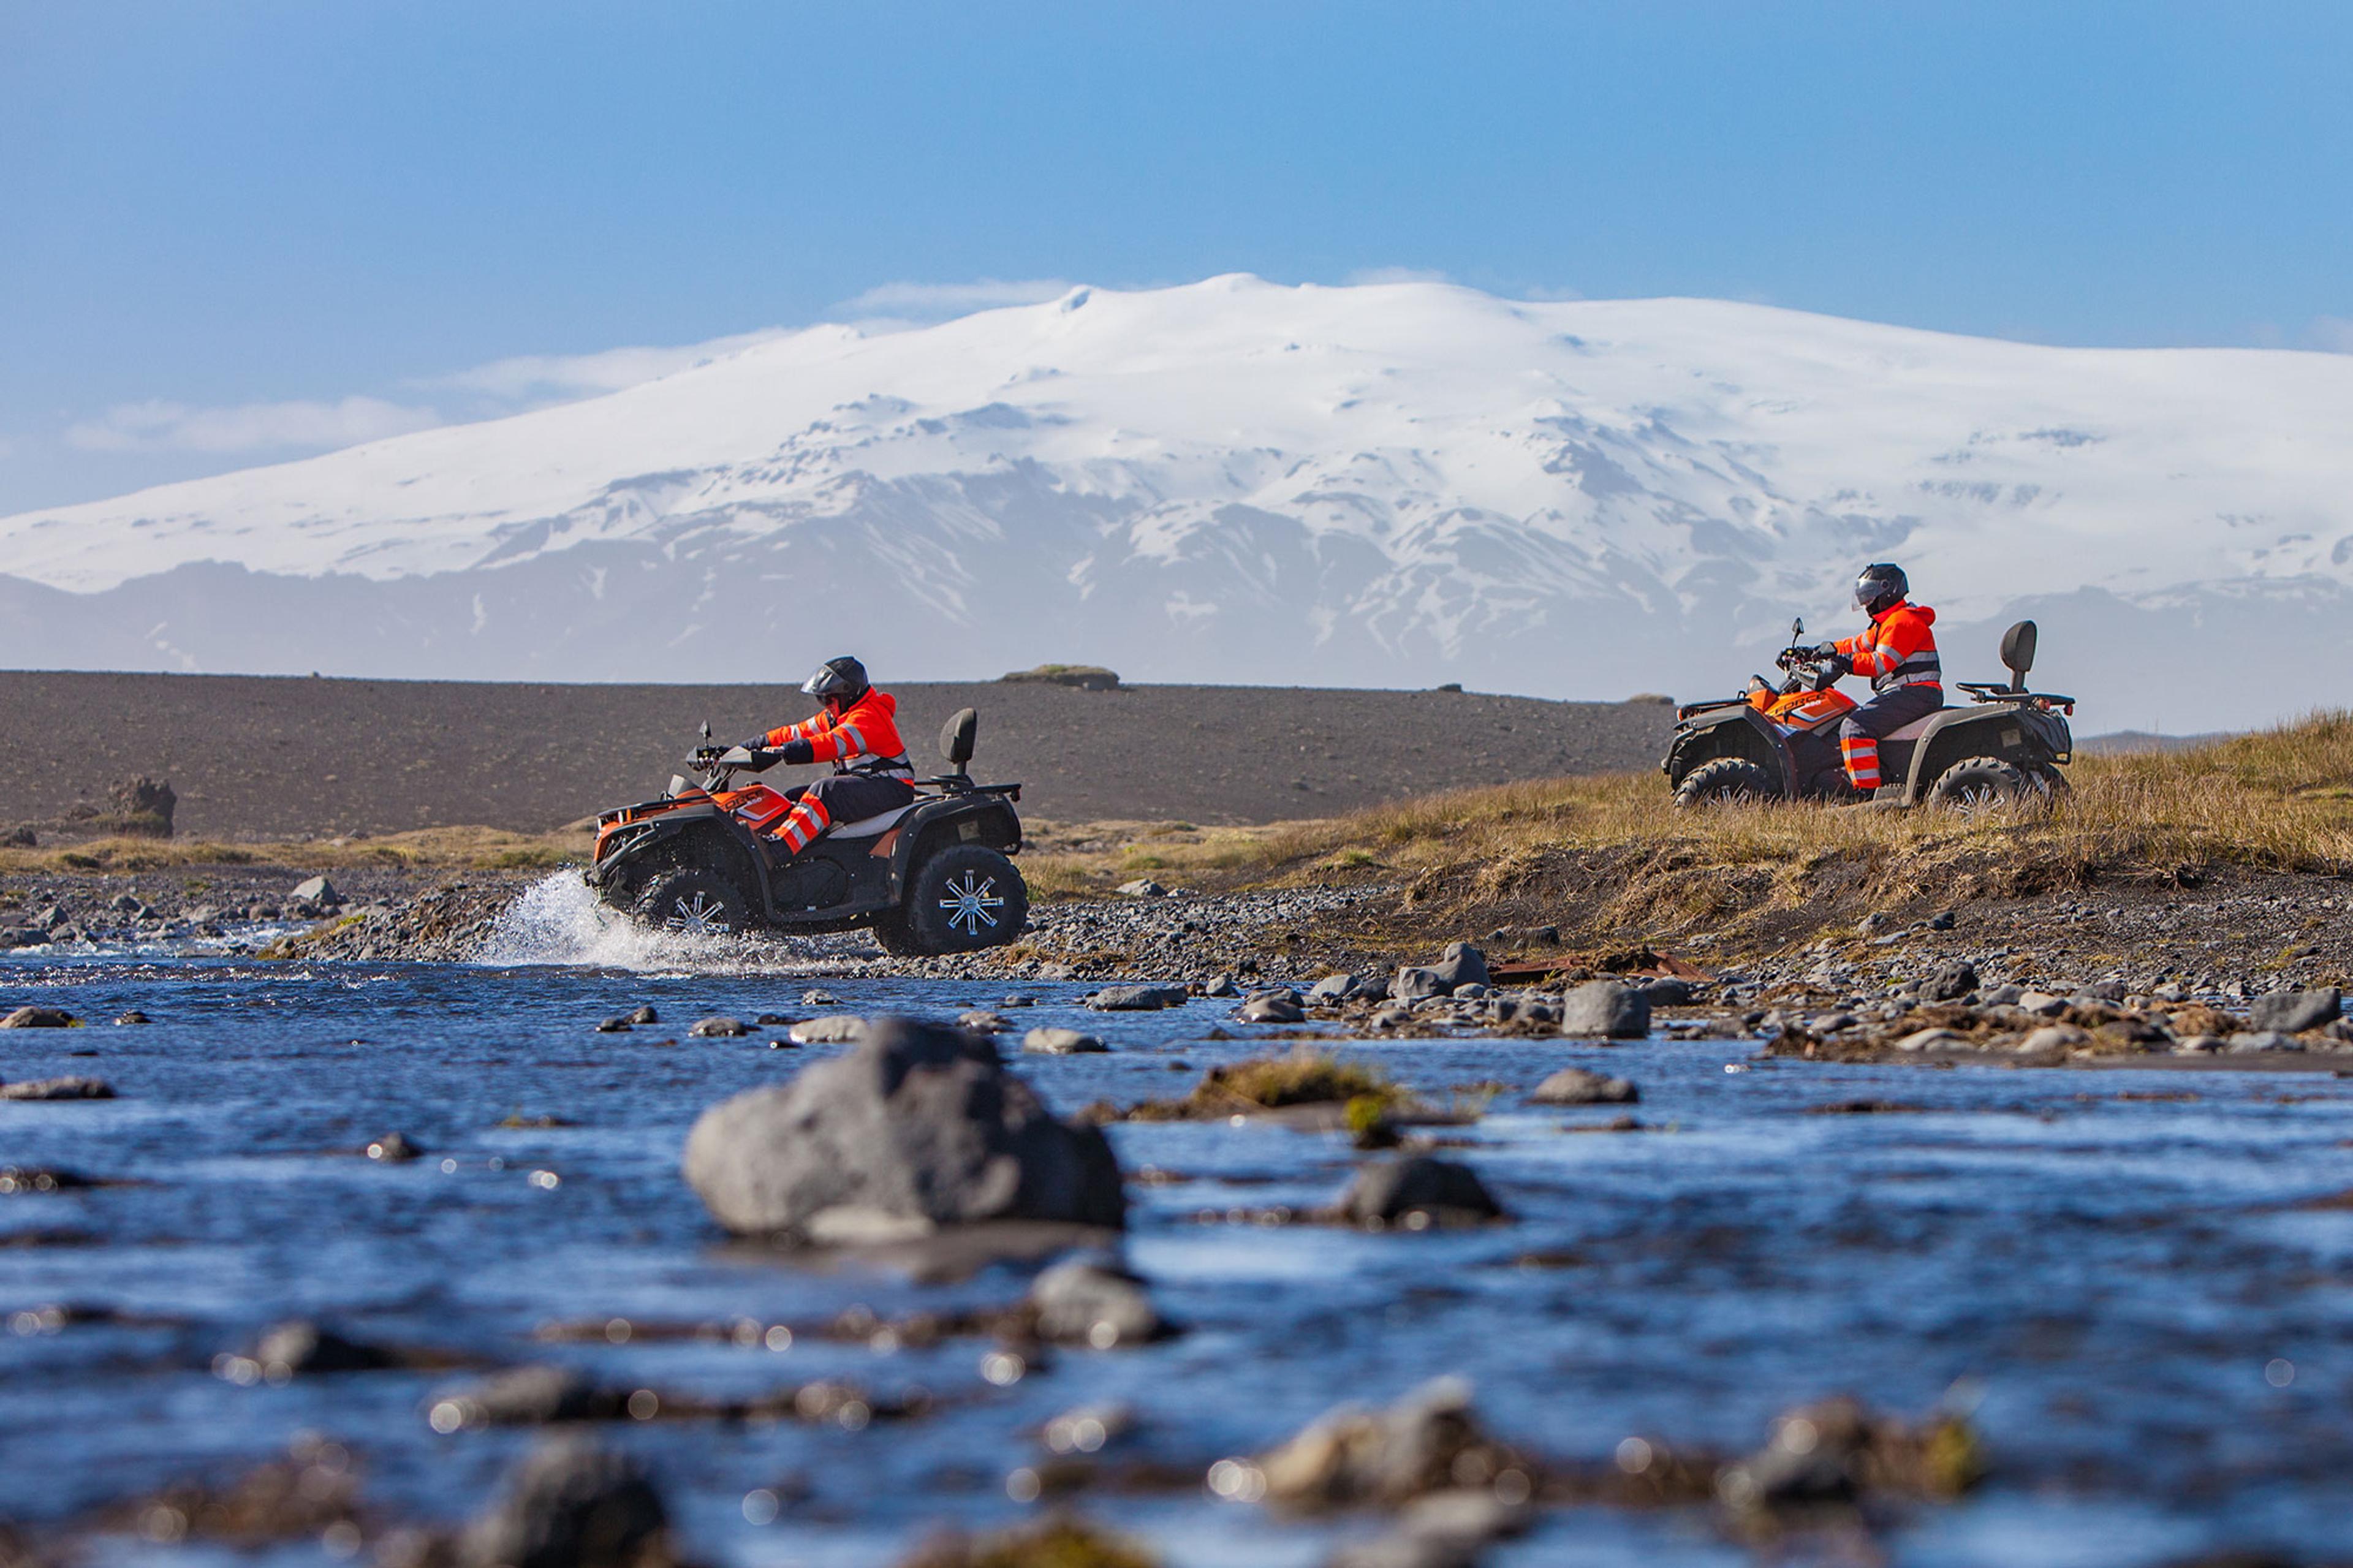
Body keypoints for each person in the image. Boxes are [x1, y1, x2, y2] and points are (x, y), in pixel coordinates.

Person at [729, 656, 915, 855]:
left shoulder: (870, 716)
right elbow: (792, 734)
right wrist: (738, 750)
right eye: (821, 699)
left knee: (826, 791)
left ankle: (777, 850)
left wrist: (786, 752)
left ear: (849, 694)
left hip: (891, 787)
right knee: (793, 798)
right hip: (868, 784)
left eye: (829, 698)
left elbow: (833, 743)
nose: (825, 704)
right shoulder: (836, 717)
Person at [1808, 563, 1941, 795]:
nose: (1867, 601)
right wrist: (1820, 650)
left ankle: (1868, 794)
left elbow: (1880, 663)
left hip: (1915, 693)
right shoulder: (1887, 623)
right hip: (1910, 694)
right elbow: (1857, 644)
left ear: (1888, 591)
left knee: (1855, 727)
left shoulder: (1903, 622)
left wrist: (1845, 663)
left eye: (1870, 594)